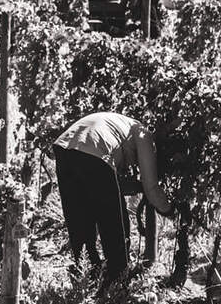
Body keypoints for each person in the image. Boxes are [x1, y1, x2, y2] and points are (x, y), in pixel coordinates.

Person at [51, 112, 166, 289]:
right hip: (93, 151)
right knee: (115, 223)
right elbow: (151, 187)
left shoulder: (120, 125)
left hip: (64, 148)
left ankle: (88, 282)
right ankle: (117, 284)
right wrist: (169, 210)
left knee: (79, 220)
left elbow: (106, 184)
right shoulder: (143, 133)